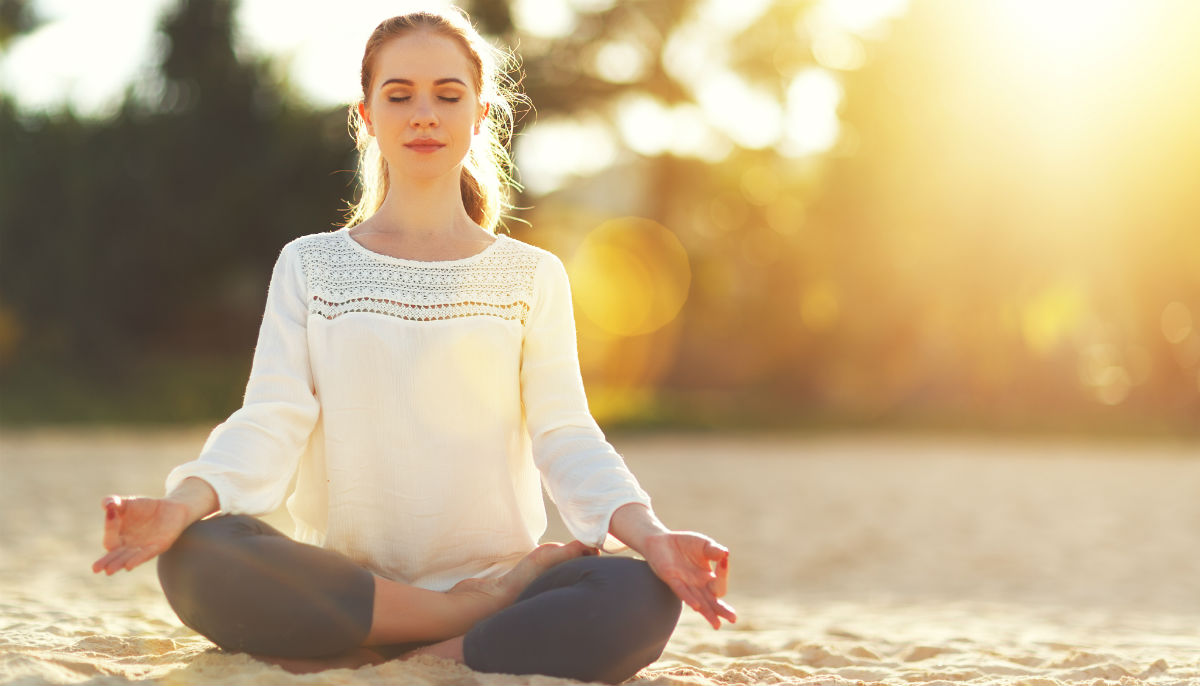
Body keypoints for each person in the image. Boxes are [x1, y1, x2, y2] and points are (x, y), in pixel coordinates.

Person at [91, 8, 735, 684]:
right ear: (366, 115)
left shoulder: (531, 276)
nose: (423, 114)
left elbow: (566, 433)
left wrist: (655, 537)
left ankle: (398, 648)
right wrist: (183, 504)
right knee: (199, 554)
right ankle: (455, 622)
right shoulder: (310, 266)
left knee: (639, 593)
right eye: (399, 95)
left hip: (500, 578)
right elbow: (271, 418)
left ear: (479, 114)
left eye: (447, 95)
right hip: (351, 586)